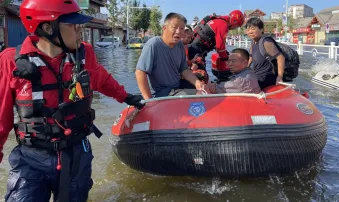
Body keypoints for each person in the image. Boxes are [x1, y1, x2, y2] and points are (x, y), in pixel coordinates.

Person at [0, 0, 143, 201]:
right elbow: (1, 120)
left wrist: (128, 97)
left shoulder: (85, 55)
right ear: (48, 28)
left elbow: (102, 80)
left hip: (76, 153)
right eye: (73, 25)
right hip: (31, 158)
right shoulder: (11, 62)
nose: (80, 31)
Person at [135, 13, 210, 99]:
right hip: (163, 92)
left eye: (181, 28)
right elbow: (140, 72)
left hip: (177, 86)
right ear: (164, 28)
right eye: (174, 27)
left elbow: (184, 70)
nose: (178, 31)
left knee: (206, 89)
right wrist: (149, 100)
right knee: (199, 96)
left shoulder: (179, 45)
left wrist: (197, 83)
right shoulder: (153, 44)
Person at [246, 17, 285, 89]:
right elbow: (251, 57)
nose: (250, 32)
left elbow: (280, 57)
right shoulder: (253, 42)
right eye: (248, 29)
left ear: (261, 29)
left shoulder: (266, 42)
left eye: (253, 29)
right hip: (257, 75)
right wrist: (244, 69)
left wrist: (279, 77)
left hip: (267, 77)